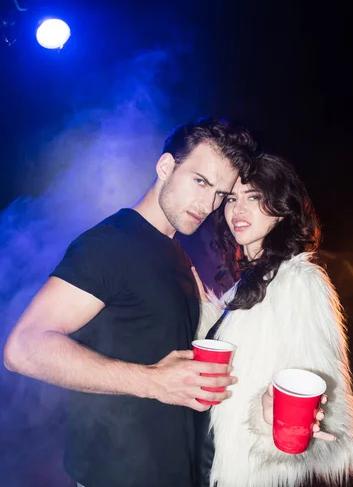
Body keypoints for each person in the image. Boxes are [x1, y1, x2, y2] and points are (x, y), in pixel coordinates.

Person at [3, 117, 257, 487]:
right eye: (201, 182)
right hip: (115, 473)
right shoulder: (111, 244)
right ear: (166, 166)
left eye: (220, 194)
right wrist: (151, 381)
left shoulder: (178, 255)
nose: (208, 204)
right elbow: (23, 348)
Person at [194, 153, 353, 487]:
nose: (237, 210)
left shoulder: (298, 280)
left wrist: (287, 418)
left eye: (254, 197)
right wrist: (200, 302)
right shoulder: (248, 285)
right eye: (231, 199)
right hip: (214, 461)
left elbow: (321, 388)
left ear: (282, 209)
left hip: (252, 471)